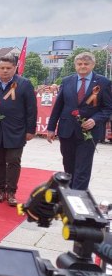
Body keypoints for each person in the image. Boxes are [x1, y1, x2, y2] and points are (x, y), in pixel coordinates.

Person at [0, 54, 37, 206]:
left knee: (13, 161)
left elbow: (31, 109)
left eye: (8, 68)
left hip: (17, 130)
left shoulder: (25, 84)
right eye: (2, 68)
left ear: (15, 68)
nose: (4, 71)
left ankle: (11, 192)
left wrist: (31, 130)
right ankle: (0, 190)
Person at [46, 51, 112, 189]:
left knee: (83, 167)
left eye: (86, 64)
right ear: (75, 65)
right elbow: (58, 106)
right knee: (68, 165)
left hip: (89, 133)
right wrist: (51, 128)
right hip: (67, 130)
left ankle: (78, 198)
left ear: (93, 65)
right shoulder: (66, 81)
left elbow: (108, 108)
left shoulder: (104, 83)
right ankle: (68, 194)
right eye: (80, 64)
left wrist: (95, 120)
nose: (83, 66)